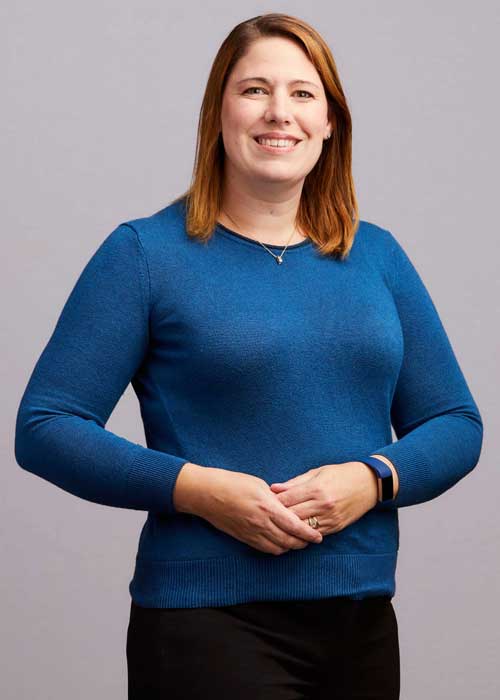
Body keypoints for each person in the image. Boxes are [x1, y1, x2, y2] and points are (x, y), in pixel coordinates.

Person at [14, 12, 483, 700]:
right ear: (219, 113)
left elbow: (455, 422)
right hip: (207, 622)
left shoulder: (377, 256)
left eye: (302, 94)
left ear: (330, 123)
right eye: (254, 90)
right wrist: (200, 491)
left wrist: (372, 477)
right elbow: (46, 425)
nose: (278, 113)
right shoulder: (146, 254)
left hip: (361, 619)